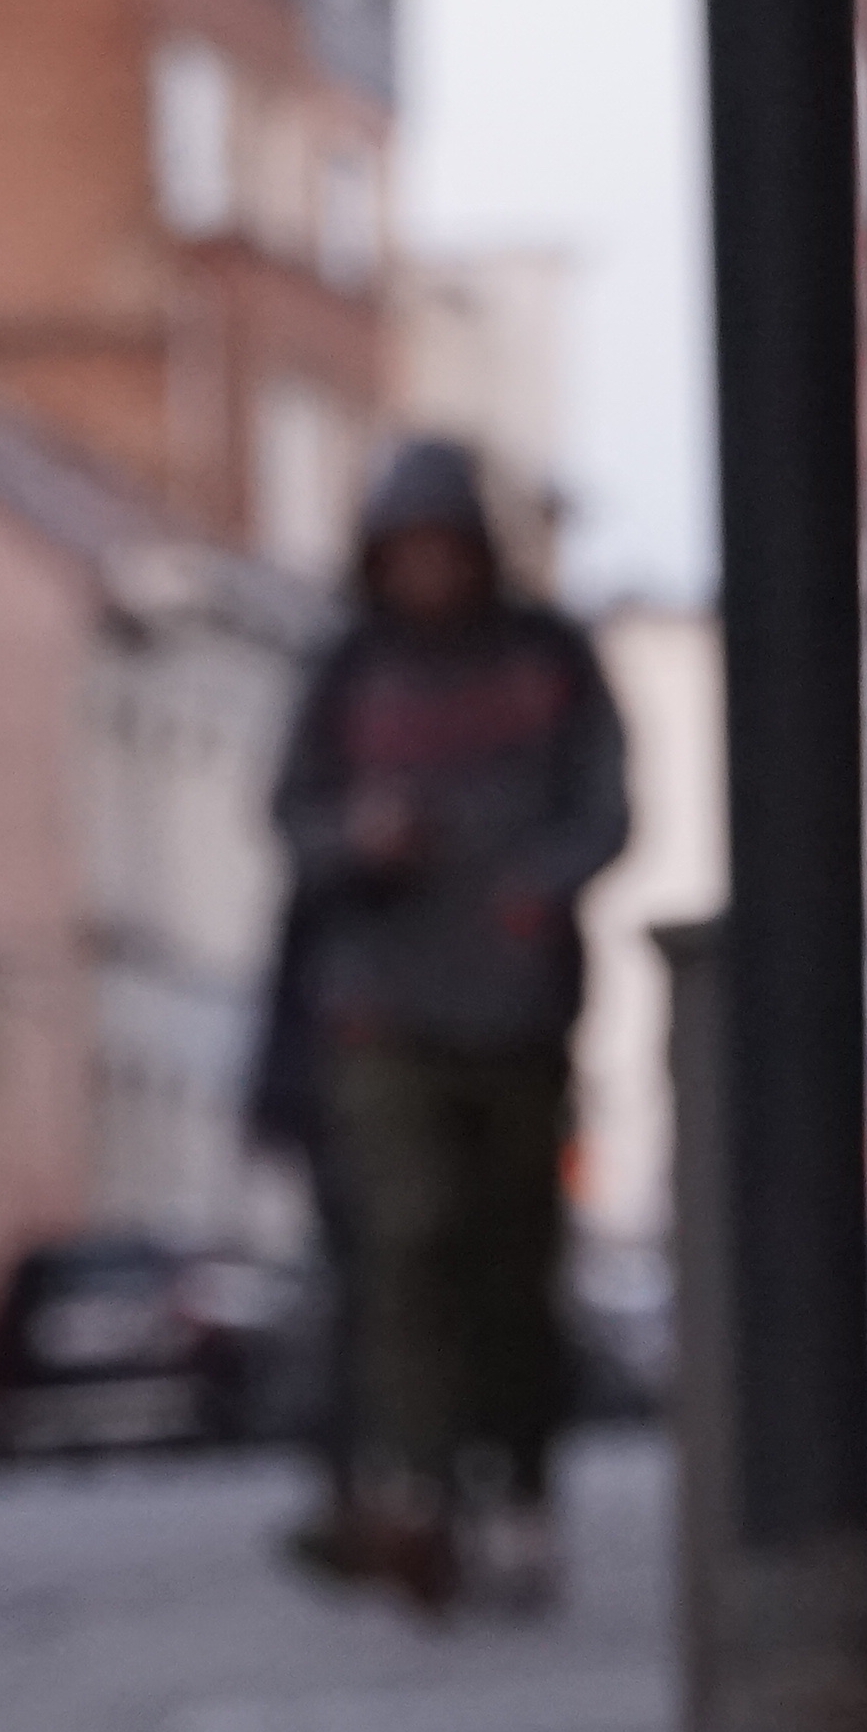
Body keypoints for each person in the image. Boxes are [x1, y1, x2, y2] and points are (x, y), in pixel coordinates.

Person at [264, 437, 629, 1614]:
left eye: (445, 549)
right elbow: (292, 815)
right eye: (407, 551)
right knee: (407, 1239)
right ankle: (414, 1489)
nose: (428, 572)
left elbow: (608, 804)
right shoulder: (349, 669)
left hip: (519, 1012)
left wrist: (543, 883)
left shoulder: (547, 655)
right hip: (385, 1008)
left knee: (512, 1261)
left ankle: (518, 1485)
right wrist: (357, 840)